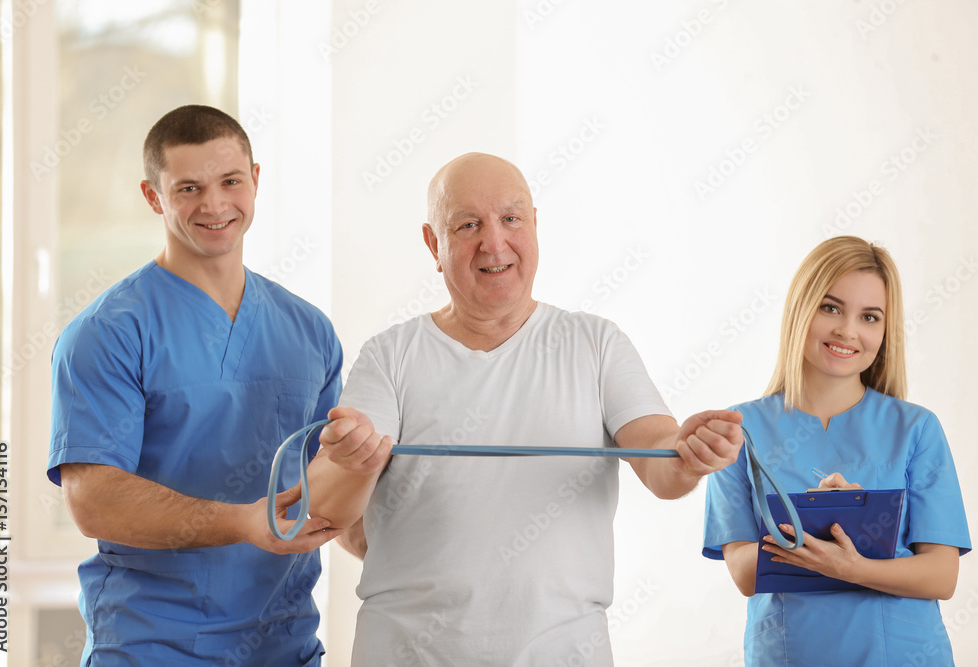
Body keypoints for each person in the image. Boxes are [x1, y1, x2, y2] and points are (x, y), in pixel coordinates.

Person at [304, 152, 745, 665]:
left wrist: (687, 454)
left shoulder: (595, 344)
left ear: (535, 225)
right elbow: (331, 509)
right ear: (434, 244)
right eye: (468, 225)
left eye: (510, 219)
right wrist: (352, 457)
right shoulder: (389, 355)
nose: (494, 242)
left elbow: (659, 460)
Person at [48, 105, 344, 666]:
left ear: (255, 180)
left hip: (284, 643)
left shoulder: (309, 330)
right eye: (188, 187)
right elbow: (93, 501)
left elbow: (323, 478)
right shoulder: (107, 333)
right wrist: (243, 522)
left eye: (230, 181)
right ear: (153, 196)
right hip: (152, 644)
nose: (214, 204)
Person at [703, 235, 971, 666]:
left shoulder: (917, 429)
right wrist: (827, 519)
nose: (848, 331)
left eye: (870, 317)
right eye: (831, 308)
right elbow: (744, 571)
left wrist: (851, 566)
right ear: (800, 309)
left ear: (885, 331)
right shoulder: (740, 430)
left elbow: (941, 575)